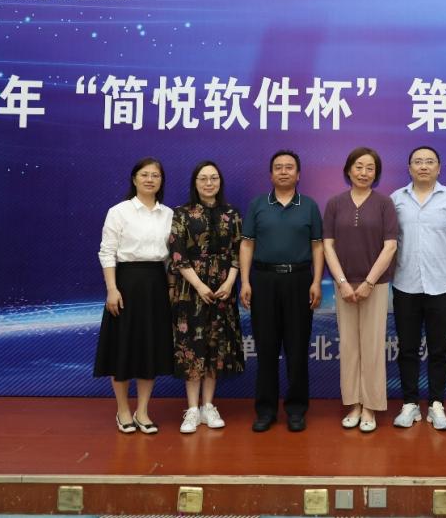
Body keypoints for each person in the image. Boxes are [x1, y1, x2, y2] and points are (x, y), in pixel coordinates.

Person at [239, 150, 324, 433]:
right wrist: (245, 281)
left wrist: (316, 281)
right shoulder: (257, 205)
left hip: (299, 281)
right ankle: (265, 411)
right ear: (271, 174)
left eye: (289, 167)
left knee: (297, 349)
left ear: (298, 175)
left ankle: (296, 410)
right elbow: (247, 244)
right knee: (266, 348)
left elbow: (317, 246)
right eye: (278, 167)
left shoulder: (309, 206)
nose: (284, 171)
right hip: (263, 280)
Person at [390, 146, 446, 431]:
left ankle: (437, 405)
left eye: (429, 162)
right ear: (409, 168)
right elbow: (389, 242)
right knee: (407, 348)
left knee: (438, 349)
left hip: (441, 284)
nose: (423, 166)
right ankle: (410, 404)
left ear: (439, 167)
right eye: (418, 162)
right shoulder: (396, 199)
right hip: (405, 283)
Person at [94, 157, 175, 434]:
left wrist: (171, 288)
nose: (150, 179)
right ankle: (123, 410)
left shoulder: (168, 214)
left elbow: (171, 258)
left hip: (156, 284)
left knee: (149, 349)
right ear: (134, 178)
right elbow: (107, 252)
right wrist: (112, 289)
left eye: (155, 175)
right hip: (126, 284)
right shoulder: (119, 212)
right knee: (123, 349)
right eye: (144, 174)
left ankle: (142, 411)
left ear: (161, 181)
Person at [323, 147, 398, 433]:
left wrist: (368, 283)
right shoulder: (335, 203)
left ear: (376, 173)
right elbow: (327, 245)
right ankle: (353, 404)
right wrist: (342, 283)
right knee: (349, 346)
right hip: (344, 285)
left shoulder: (384, 204)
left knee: (372, 346)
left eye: (370, 168)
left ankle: (371, 406)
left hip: (375, 285)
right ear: (348, 170)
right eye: (358, 166)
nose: (364, 172)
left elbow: (390, 246)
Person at [168, 160, 245, 434]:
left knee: (216, 346)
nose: (209, 183)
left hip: (223, 288)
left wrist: (230, 282)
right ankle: (191, 409)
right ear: (195, 182)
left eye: (214, 178)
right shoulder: (181, 213)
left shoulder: (232, 213)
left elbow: (239, 251)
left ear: (220, 182)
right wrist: (199, 286)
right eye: (203, 178)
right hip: (190, 289)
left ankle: (208, 406)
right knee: (191, 346)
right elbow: (177, 254)